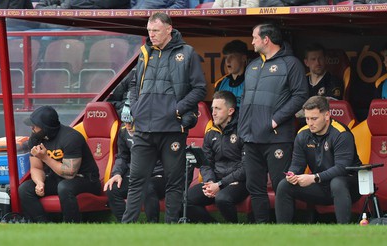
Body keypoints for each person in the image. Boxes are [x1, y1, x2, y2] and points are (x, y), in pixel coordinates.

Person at [121, 12, 207, 223]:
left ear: (169, 28)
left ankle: (171, 226)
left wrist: (177, 109)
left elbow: (200, 89)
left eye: (156, 30)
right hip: (144, 128)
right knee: (136, 180)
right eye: (149, 31)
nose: (151, 35)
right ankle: (127, 225)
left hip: (172, 128)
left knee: (174, 181)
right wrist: (136, 108)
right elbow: (133, 84)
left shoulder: (187, 53)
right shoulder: (144, 52)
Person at [238, 23, 308, 223]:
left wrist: (276, 120)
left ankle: (284, 228)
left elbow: (300, 95)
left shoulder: (291, 63)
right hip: (251, 138)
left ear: (266, 39)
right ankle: (262, 228)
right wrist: (242, 127)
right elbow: (244, 98)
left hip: (277, 139)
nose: (252, 42)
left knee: (281, 186)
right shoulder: (252, 65)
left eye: (254, 37)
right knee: (255, 187)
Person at [275, 96, 361, 224]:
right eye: (307, 118)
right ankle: (282, 233)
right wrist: (292, 174)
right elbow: (297, 164)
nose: (310, 123)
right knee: (284, 185)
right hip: (321, 186)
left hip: (349, 187)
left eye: (314, 119)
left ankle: (344, 230)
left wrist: (314, 177)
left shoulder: (341, 134)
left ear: (327, 115)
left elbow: (342, 168)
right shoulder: (303, 134)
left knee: (337, 182)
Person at [18, 106, 101, 223]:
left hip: (86, 179)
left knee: (64, 187)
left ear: (45, 127)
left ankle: (71, 225)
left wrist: (45, 157)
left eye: (35, 125)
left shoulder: (71, 138)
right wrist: (39, 183)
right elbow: (36, 167)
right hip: (58, 178)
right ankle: (43, 225)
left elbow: (69, 174)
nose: (31, 128)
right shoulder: (35, 138)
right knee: (25, 189)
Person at [187, 91, 247, 223]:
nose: (213, 113)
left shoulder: (243, 131)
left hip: (239, 182)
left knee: (222, 198)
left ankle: (234, 229)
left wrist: (220, 185)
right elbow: (205, 162)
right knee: (186, 200)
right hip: (216, 181)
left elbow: (245, 168)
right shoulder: (211, 132)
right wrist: (210, 182)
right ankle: (215, 227)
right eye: (212, 108)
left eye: (218, 109)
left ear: (230, 111)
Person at [104, 100, 165, 223]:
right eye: (125, 122)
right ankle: (127, 226)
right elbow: (122, 156)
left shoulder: (155, 131)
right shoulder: (123, 131)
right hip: (135, 174)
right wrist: (117, 174)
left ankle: (153, 226)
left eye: (130, 122)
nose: (128, 126)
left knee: (147, 187)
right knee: (112, 189)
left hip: (157, 174)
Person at [214, 40, 248, 108]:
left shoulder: (252, 82)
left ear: (243, 58)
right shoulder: (220, 84)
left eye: (232, 57)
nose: (228, 61)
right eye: (226, 57)